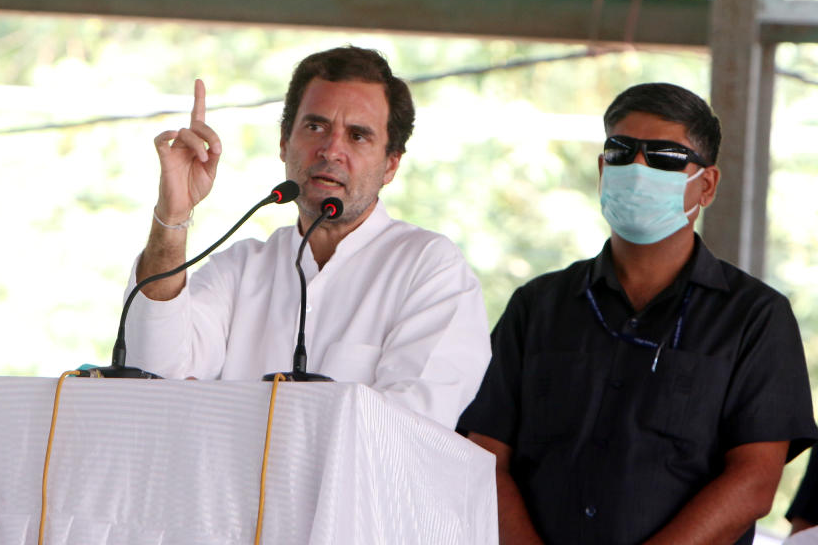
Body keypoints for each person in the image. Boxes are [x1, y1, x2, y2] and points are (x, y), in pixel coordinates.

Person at [458, 82, 818, 544]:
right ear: (602, 169)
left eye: (666, 156)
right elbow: (484, 456)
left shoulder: (755, 317)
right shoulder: (538, 305)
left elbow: (753, 481)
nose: (638, 167)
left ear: (706, 185)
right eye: (622, 151)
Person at [123, 46, 490, 429]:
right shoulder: (241, 267)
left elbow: (409, 427)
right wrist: (173, 215)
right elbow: (154, 372)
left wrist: (236, 415)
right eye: (316, 127)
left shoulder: (429, 268)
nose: (331, 150)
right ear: (284, 143)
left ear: (391, 165)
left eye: (358, 136)